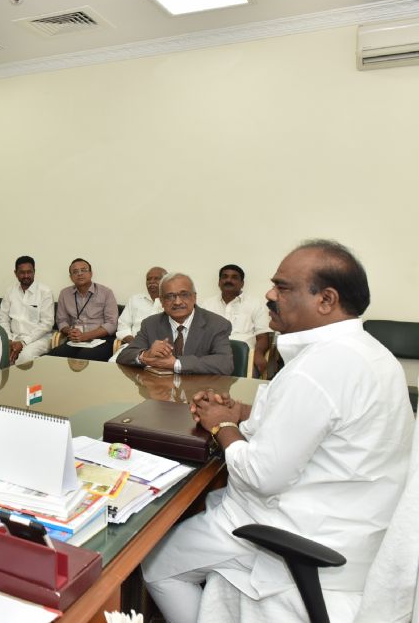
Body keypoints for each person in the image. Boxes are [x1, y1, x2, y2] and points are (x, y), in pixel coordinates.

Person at [142, 240, 415, 623]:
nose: (270, 295)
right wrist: (239, 411)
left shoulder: (318, 368)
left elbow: (260, 476)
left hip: (302, 533)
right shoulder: (369, 352)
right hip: (355, 527)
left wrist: (221, 424)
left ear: (326, 300)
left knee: (155, 563)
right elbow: (318, 421)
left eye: (283, 287)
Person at [116, 273, 233, 375]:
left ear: (194, 297)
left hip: (199, 390)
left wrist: (176, 363)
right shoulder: (150, 324)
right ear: (161, 301)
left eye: (184, 294)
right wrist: (146, 355)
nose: (177, 302)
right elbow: (125, 355)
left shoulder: (217, 324)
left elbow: (225, 364)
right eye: (170, 296)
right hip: (160, 389)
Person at [204, 264, 272, 376]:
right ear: (219, 282)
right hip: (213, 356)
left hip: (244, 359)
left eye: (234, 277)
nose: (228, 280)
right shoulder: (207, 304)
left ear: (242, 283)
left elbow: (263, 336)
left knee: (244, 384)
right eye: (225, 277)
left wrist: (258, 354)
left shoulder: (256, 304)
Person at [51, 258, 118, 361]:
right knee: (53, 356)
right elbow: (61, 320)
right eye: (75, 272)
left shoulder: (106, 293)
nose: (80, 274)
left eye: (83, 270)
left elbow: (111, 324)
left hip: (101, 340)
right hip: (75, 340)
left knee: (84, 357)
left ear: (91, 273)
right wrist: (70, 331)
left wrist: (86, 336)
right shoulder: (65, 294)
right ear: (71, 277)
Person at [0, 255, 54, 365]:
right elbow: (3, 319)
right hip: (13, 337)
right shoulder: (10, 291)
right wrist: (9, 340)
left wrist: (23, 342)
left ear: (34, 272)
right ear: (15, 273)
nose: (26, 276)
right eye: (22, 272)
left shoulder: (45, 292)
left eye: (29, 272)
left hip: (38, 339)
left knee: (25, 357)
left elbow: (47, 324)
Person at [113, 266, 167, 351]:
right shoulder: (135, 300)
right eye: (148, 279)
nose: (151, 282)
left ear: (166, 281)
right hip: (134, 346)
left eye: (156, 278)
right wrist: (135, 343)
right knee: (116, 359)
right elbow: (123, 325)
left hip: (163, 349)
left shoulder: (172, 302)